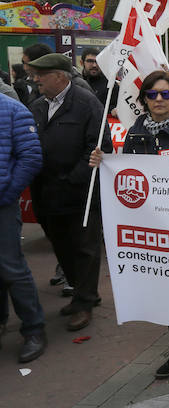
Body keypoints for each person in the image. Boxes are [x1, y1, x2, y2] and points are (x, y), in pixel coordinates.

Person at [90, 70, 169, 379]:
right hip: (155, 224)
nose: (158, 99)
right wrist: (104, 162)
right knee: (165, 285)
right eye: (152, 94)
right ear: (144, 99)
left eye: (165, 94)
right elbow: (129, 173)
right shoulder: (135, 131)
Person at [28, 53, 111, 332]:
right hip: (46, 193)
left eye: (41, 74)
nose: (35, 79)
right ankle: (82, 292)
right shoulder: (37, 106)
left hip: (79, 194)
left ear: (60, 76)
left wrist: (72, 180)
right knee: (61, 246)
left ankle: (84, 302)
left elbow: (99, 147)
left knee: (85, 248)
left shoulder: (87, 104)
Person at [0, 93, 47, 363]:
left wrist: (7, 195)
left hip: (2, 206)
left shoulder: (13, 110)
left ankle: (34, 329)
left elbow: (30, 158)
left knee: (12, 268)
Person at [80, 47, 118, 113]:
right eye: (90, 61)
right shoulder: (73, 82)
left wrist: (113, 111)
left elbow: (114, 108)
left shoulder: (111, 85)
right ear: (82, 63)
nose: (94, 65)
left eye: (98, 61)